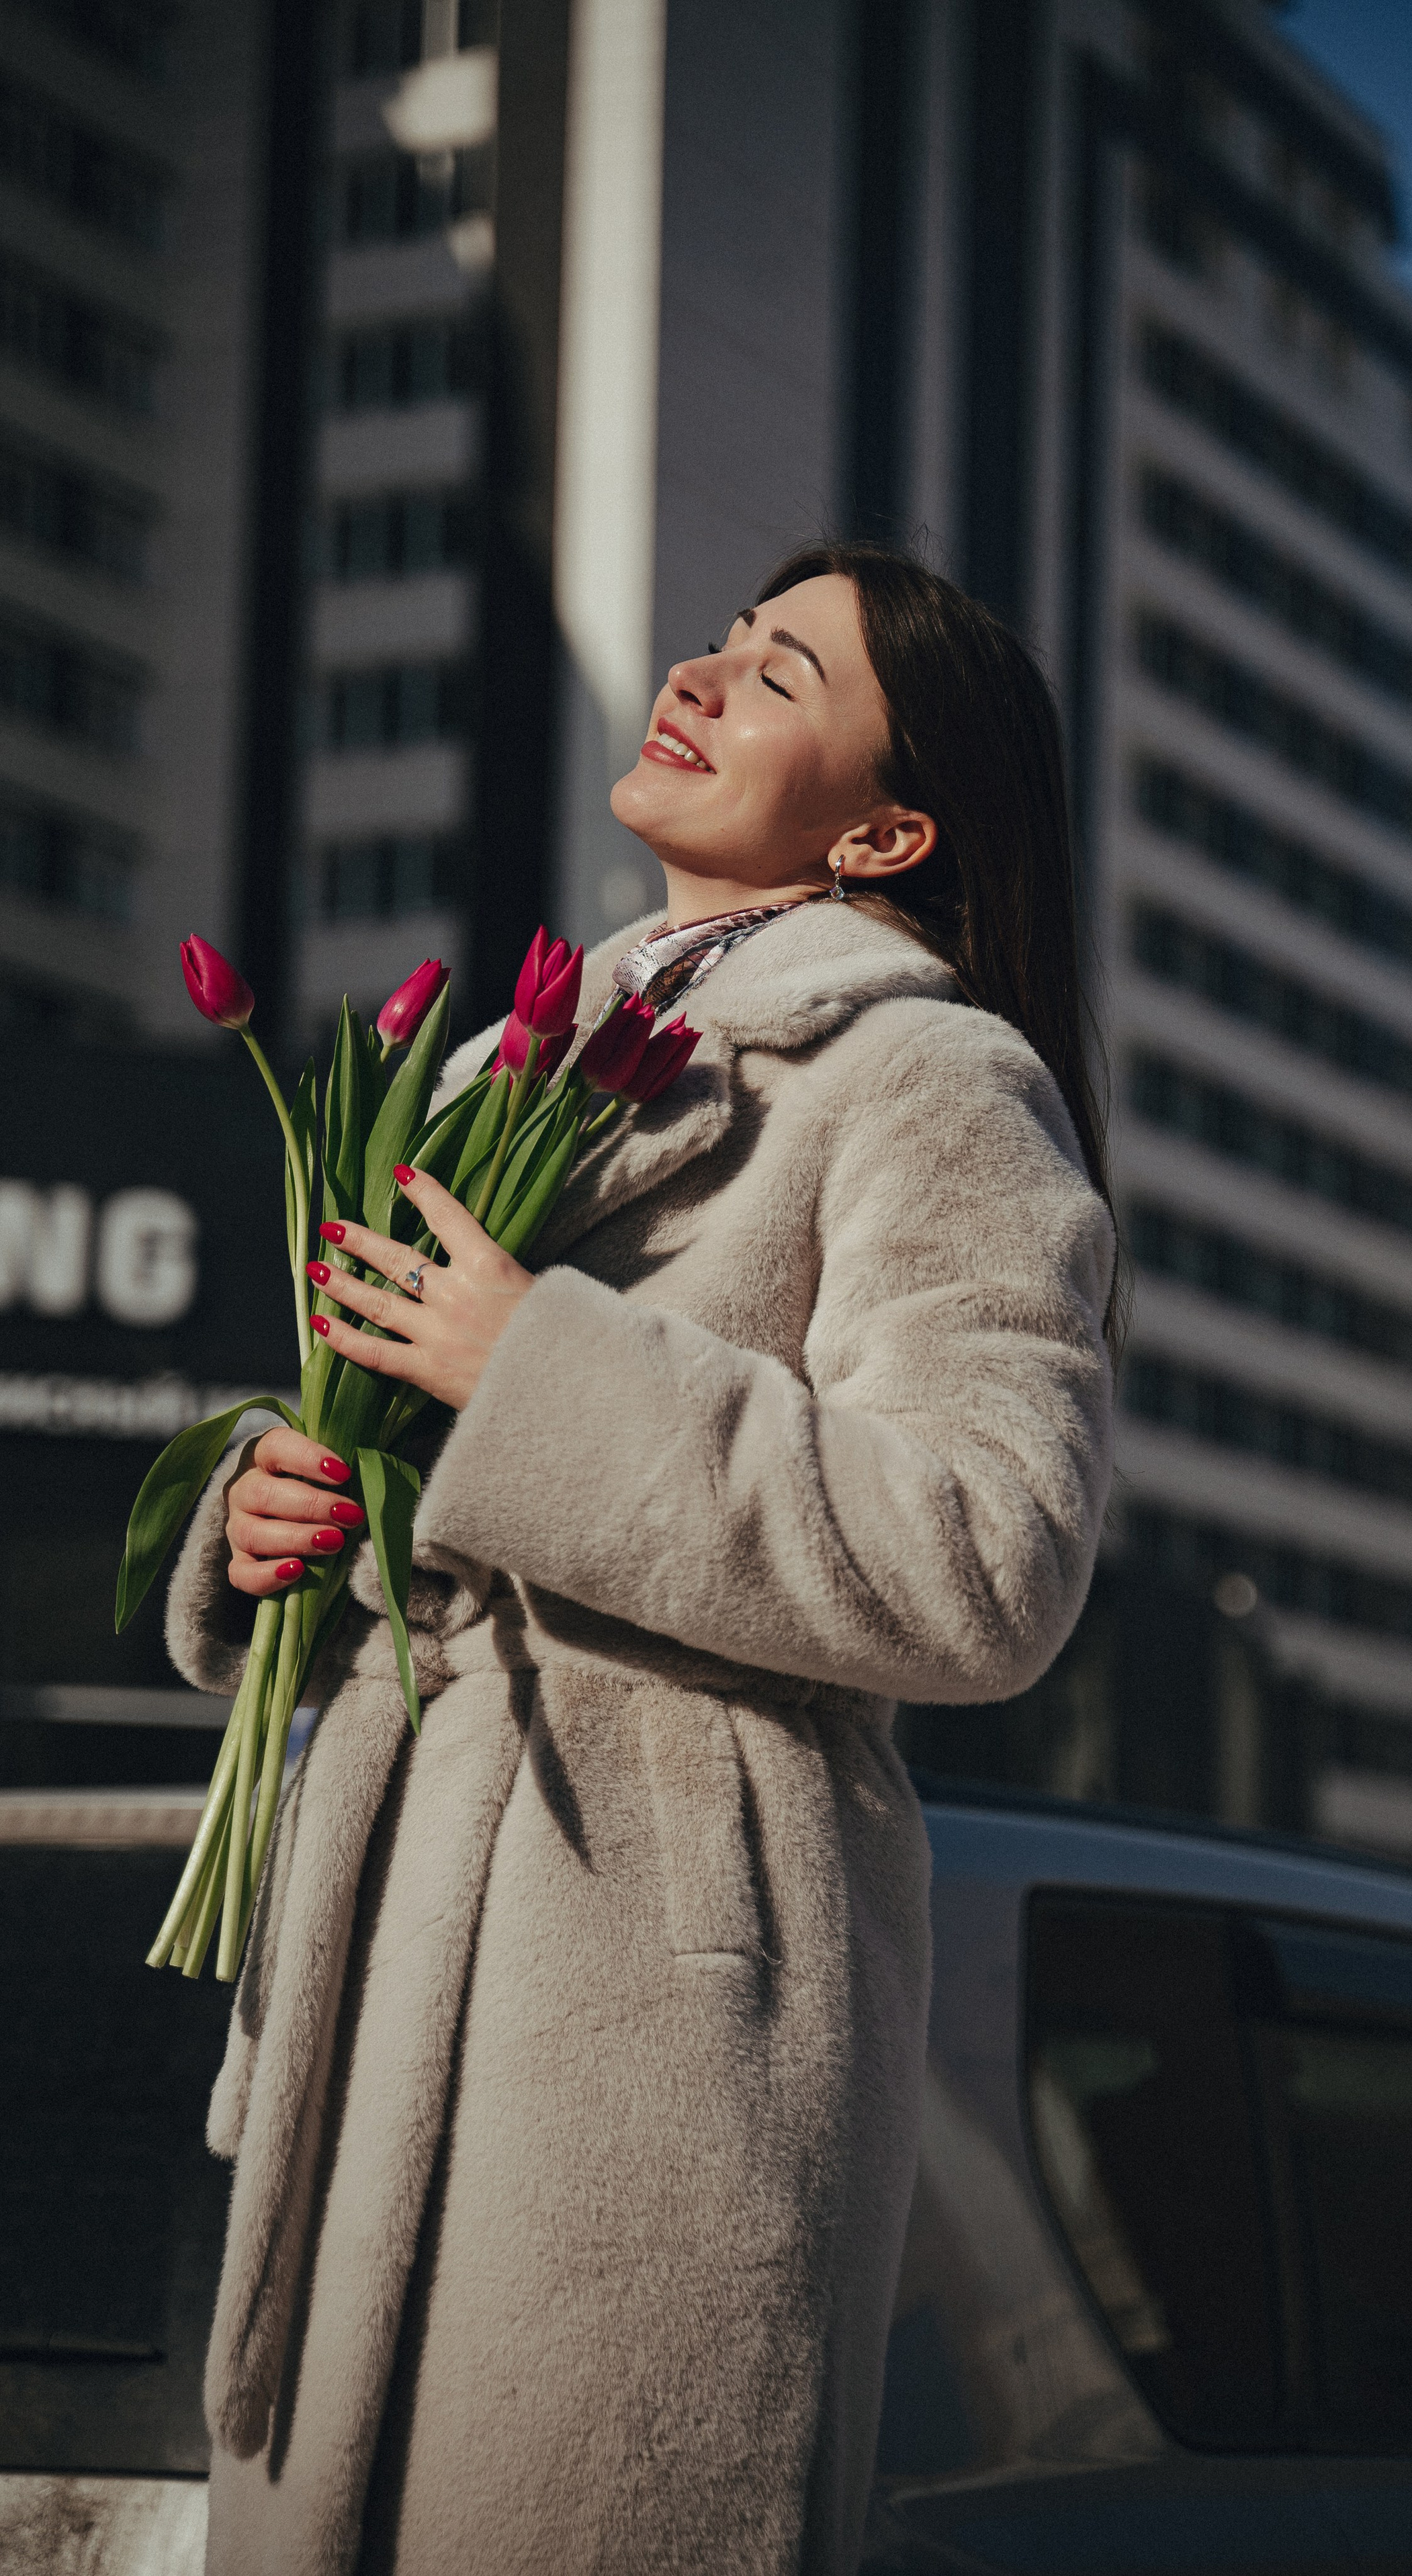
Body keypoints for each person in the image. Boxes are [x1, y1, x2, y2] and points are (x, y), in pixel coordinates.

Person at [168, 543, 1117, 2575]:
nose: (701, 670)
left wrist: (545, 1377)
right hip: (386, 1947)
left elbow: (994, 1553)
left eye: (780, 673)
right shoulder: (504, 1066)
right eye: (723, 637)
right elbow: (416, 1476)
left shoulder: (932, 1082)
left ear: (884, 826)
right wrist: (286, 1513)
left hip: (645, 2024)